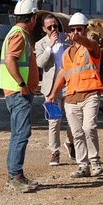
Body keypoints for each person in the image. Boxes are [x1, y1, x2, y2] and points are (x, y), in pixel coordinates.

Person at [47, 12, 103, 178]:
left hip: (90, 94)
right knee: (77, 133)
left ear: (85, 30)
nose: (76, 32)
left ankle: (94, 162)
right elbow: (63, 73)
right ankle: (82, 165)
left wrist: (79, 39)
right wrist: (52, 93)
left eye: (79, 29)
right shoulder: (66, 54)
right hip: (71, 97)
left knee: (89, 128)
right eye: (73, 29)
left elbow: (90, 44)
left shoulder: (92, 47)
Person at [0, 0, 39, 193]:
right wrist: (22, 84)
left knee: (17, 134)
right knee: (21, 134)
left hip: (15, 92)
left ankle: (14, 174)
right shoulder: (19, 35)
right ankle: (16, 176)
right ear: (32, 18)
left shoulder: (15, 33)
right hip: (18, 93)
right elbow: (10, 60)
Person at [35, 14, 75, 166]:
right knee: (54, 121)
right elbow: (40, 63)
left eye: (55, 26)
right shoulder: (41, 44)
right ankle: (54, 152)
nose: (53, 29)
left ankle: (70, 142)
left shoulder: (66, 39)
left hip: (69, 85)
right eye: (50, 27)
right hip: (51, 88)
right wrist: (49, 47)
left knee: (74, 119)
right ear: (44, 29)